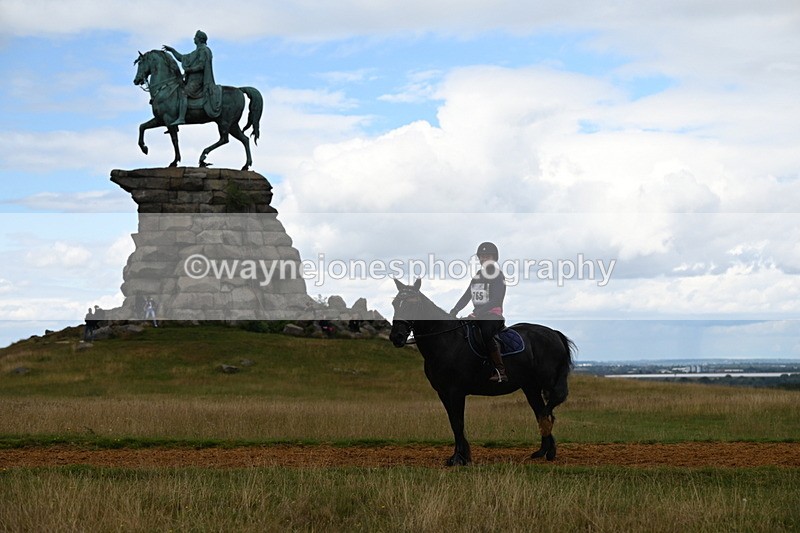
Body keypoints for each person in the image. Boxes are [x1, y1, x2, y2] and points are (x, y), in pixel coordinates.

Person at [450, 242, 508, 383]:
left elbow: (496, 299)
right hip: (478, 315)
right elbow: (466, 296)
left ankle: (500, 370)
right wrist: (454, 310)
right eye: (481, 256)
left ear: (494, 258)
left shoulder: (498, 275)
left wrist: (478, 313)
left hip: (493, 315)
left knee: (486, 334)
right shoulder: (477, 276)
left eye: (487, 256)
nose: (483, 258)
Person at [162, 30, 221, 126]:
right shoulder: (196, 52)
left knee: (183, 93)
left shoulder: (204, 50)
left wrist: (190, 70)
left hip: (198, 80)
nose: (194, 38)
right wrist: (172, 50)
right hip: (191, 80)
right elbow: (182, 58)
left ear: (199, 39)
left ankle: (181, 118)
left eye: (195, 37)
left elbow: (201, 66)